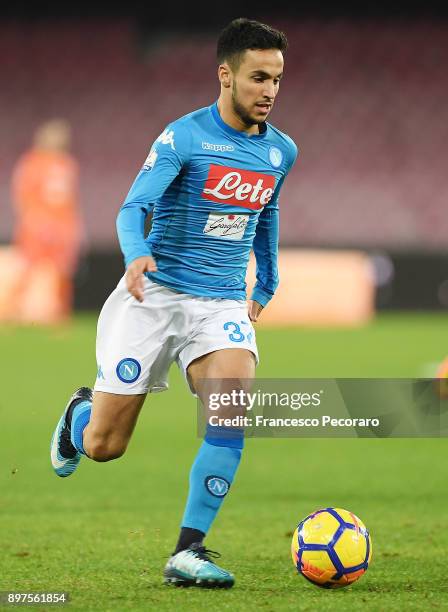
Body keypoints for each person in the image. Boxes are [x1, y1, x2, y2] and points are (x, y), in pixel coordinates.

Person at [50, 18, 297, 588]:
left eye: (278, 80)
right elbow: (131, 207)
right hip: (154, 296)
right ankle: (79, 416)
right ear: (225, 75)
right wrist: (136, 254)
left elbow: (268, 212)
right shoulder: (183, 137)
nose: (269, 91)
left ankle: (190, 551)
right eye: (258, 78)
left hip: (221, 306)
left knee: (231, 411)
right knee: (105, 446)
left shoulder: (281, 151)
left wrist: (267, 280)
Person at [9, 119, 82, 323]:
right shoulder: (31, 162)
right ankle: (11, 310)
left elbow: (71, 199)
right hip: (37, 225)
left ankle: (61, 314)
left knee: (63, 270)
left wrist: (72, 225)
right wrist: (33, 220)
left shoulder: (68, 164)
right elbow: (23, 194)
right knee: (27, 268)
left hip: (63, 225)